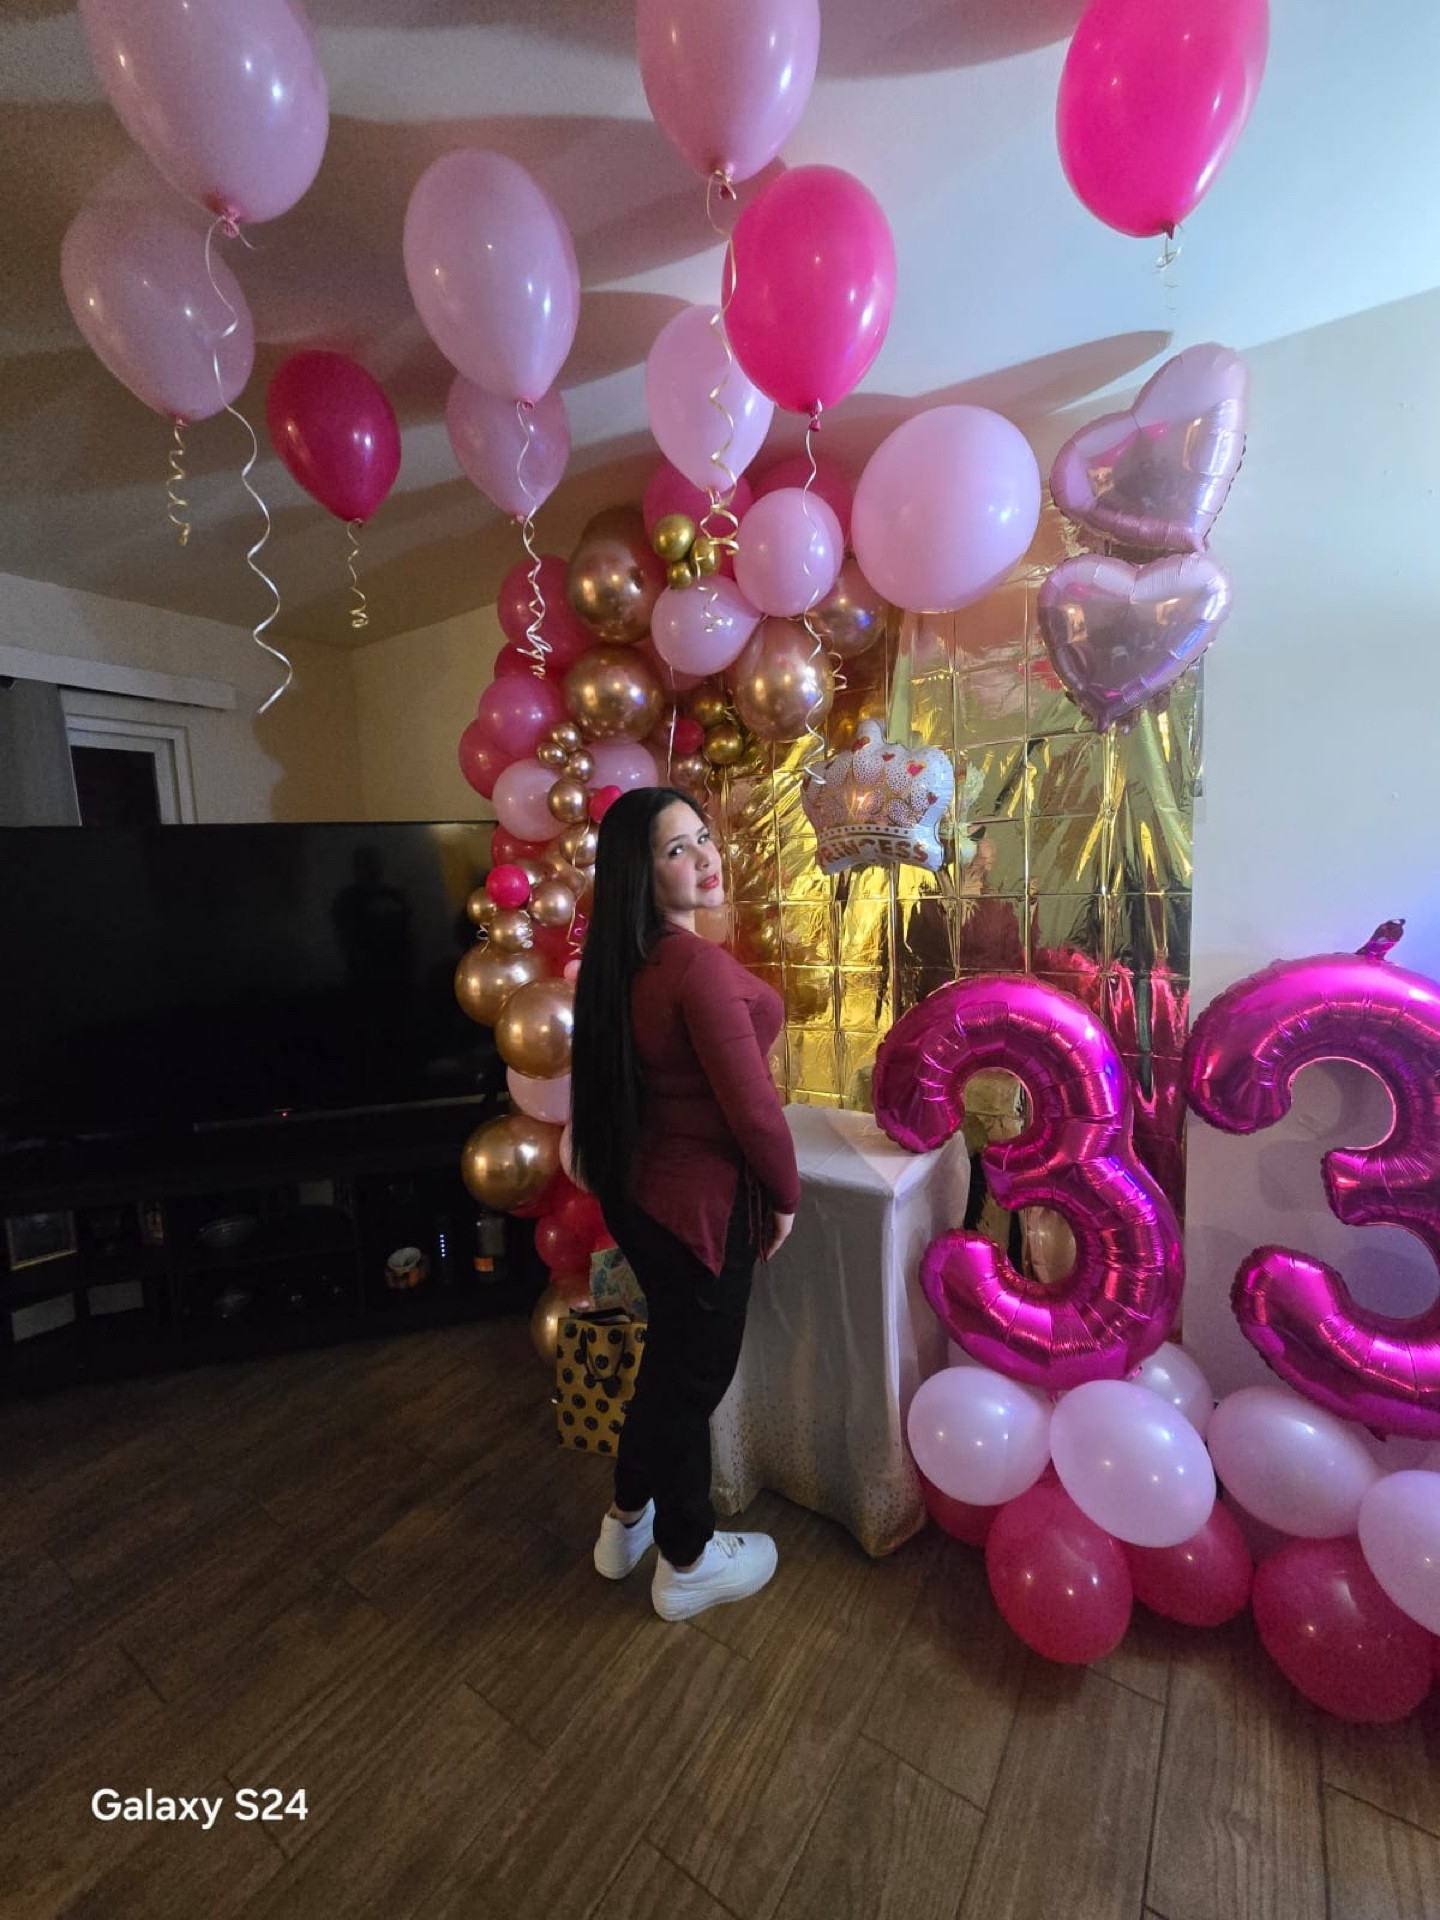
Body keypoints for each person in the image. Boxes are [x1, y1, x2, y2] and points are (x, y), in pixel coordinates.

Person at [569, 786, 799, 1621]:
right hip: (697, 1208)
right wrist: (785, 1196)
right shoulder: (690, 967)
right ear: (641, 872)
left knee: (667, 1370)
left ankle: (626, 1519)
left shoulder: (621, 961)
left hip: (641, 1196)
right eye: (677, 848)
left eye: (703, 836)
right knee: (688, 1386)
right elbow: (755, 1111)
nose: (705, 856)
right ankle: (689, 1558)